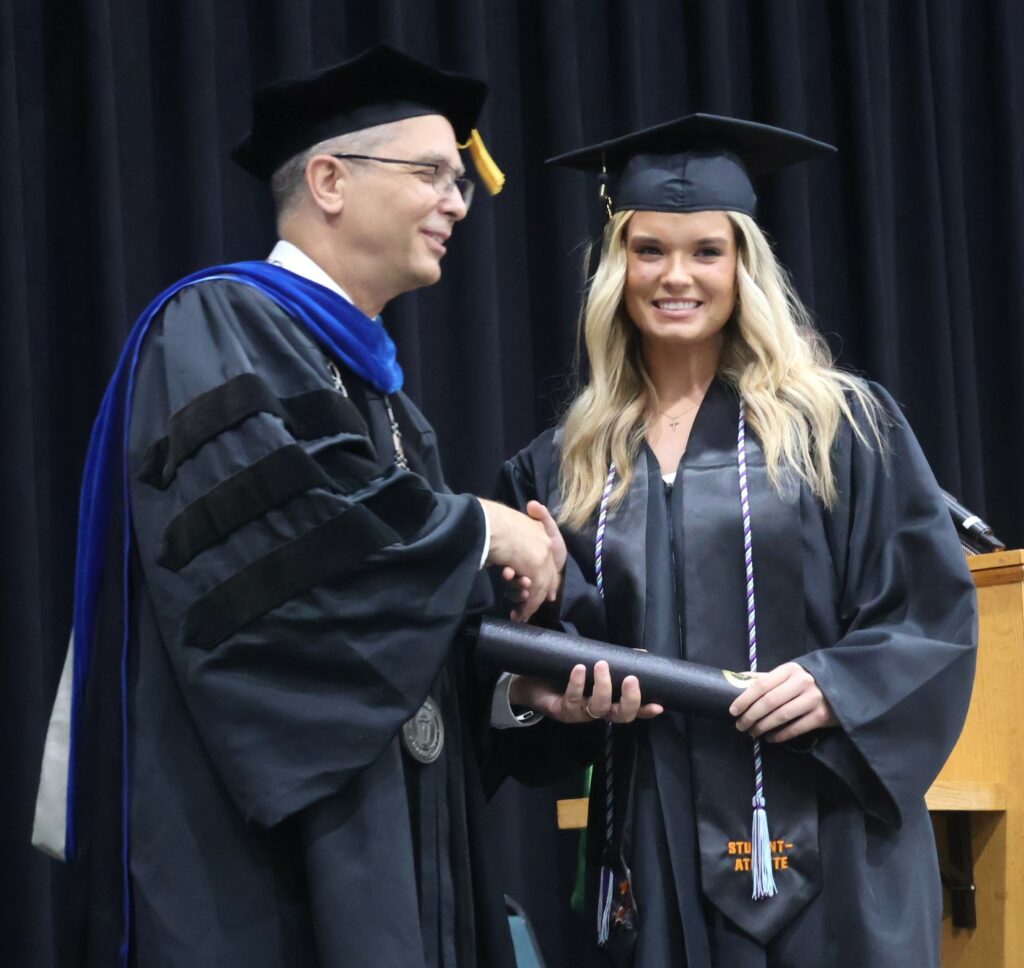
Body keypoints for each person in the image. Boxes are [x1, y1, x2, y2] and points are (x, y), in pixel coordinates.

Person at [32, 44, 564, 968]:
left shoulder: (389, 399)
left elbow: (392, 631)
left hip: (384, 857)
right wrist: (487, 526)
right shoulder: (216, 326)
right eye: (432, 173)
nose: (457, 202)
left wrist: (520, 692)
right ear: (328, 179)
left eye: (460, 180)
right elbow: (302, 569)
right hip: (254, 871)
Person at [497, 114, 978, 967]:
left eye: (706, 251)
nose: (675, 276)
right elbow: (525, 661)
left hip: (830, 845)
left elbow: (931, 617)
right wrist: (542, 695)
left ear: (743, 266)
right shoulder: (564, 463)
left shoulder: (841, 428)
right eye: (648, 251)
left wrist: (838, 686)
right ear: (617, 270)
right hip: (651, 841)